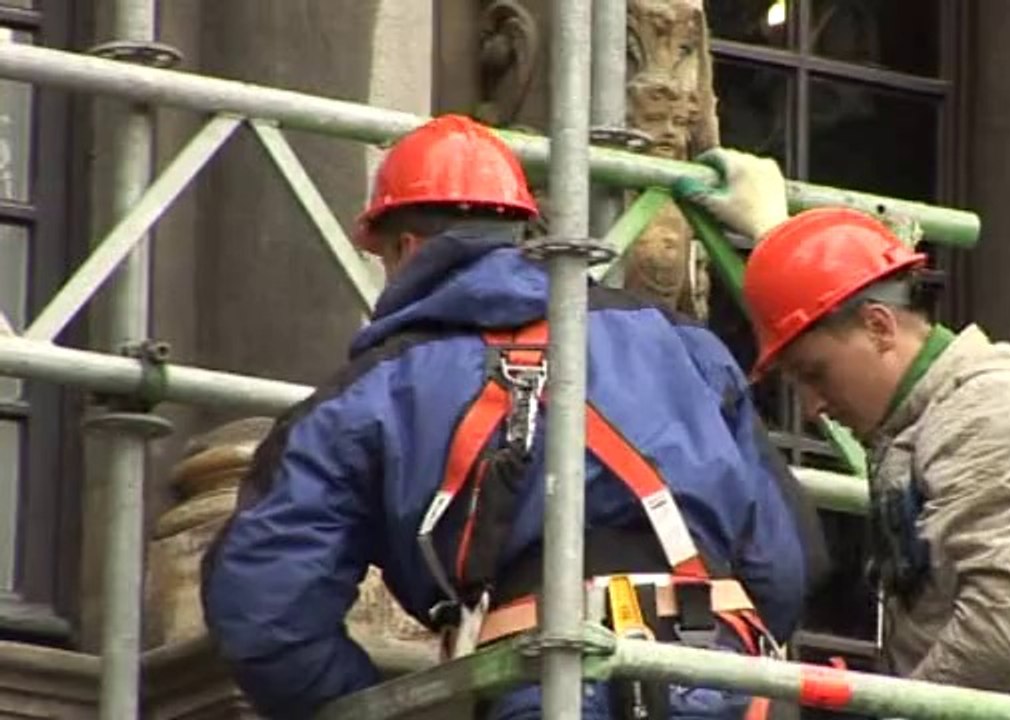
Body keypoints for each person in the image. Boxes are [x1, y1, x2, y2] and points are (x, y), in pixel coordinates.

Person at [200, 115, 829, 720]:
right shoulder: (677, 343)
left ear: (406, 247)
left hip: (544, 679)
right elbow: (785, 559)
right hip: (721, 675)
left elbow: (268, 610)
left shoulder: (370, 397)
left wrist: (377, 707)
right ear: (521, 229)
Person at [675, 149, 1010, 692]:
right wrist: (778, 237)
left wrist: (898, 710)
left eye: (816, 374)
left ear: (880, 327)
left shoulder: (989, 413)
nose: (812, 408)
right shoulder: (939, 416)